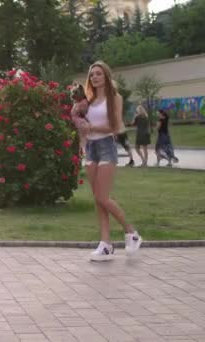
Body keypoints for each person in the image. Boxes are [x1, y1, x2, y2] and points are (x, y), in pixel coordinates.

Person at [81, 61, 142, 261]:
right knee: (98, 200)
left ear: (106, 76)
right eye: (92, 75)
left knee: (103, 197)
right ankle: (106, 244)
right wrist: (82, 138)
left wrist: (91, 129)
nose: (95, 77)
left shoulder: (115, 98)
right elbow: (81, 125)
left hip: (106, 146)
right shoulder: (87, 101)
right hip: (90, 148)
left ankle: (131, 233)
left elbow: (114, 126)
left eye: (98, 74)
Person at [111, 81, 135, 167]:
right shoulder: (115, 97)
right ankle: (131, 160)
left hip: (116, 125)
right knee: (124, 144)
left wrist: (115, 127)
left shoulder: (115, 97)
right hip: (118, 125)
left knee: (122, 143)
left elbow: (117, 113)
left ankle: (130, 160)